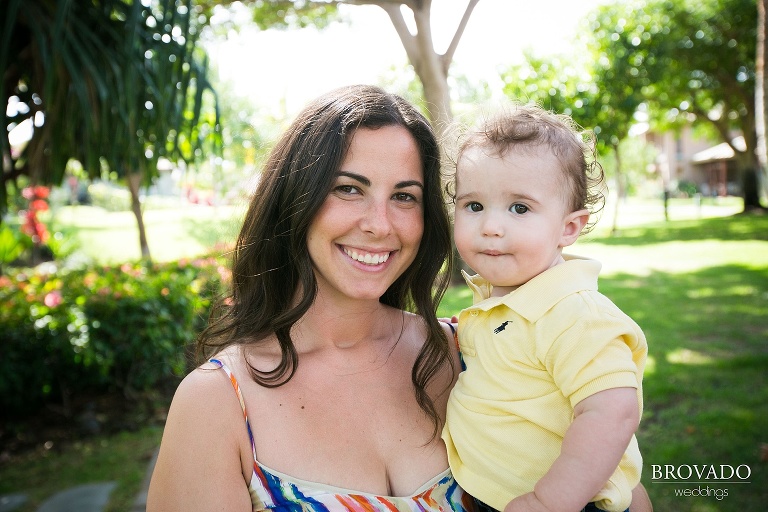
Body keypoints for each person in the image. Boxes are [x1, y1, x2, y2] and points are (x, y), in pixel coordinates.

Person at [146, 84, 475, 512]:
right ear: (295, 198)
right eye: (349, 189)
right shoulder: (217, 403)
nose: (380, 224)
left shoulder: (472, 351)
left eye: (404, 196)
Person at [442, 103, 648, 512]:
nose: (491, 226)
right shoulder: (502, 299)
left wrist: (551, 500)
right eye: (474, 206)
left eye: (520, 208)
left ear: (568, 228)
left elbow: (613, 410)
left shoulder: (573, 313)